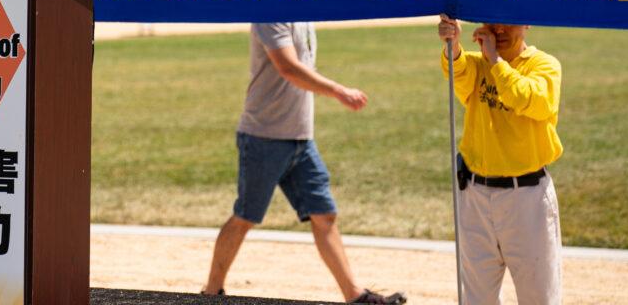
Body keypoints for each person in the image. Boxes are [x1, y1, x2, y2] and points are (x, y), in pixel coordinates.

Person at [202, 22, 405, 304]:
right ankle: (211, 292)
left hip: (301, 139)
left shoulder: (304, 15)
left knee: (324, 215)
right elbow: (288, 67)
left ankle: (354, 295)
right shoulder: (269, 13)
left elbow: (302, 67)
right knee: (245, 217)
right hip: (264, 137)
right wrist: (337, 90)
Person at [438, 17, 563, 305]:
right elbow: (456, 71)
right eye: (493, 23)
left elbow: (527, 99)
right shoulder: (478, 64)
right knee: (476, 297)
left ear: (528, 24)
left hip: (527, 198)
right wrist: (453, 45)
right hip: (474, 195)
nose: (500, 30)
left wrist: (495, 60)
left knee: (539, 297)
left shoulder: (544, 65)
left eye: (509, 22)